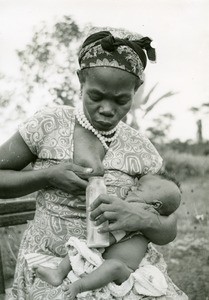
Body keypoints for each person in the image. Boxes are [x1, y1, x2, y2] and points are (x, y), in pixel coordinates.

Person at [0, 27, 188, 299]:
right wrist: (47, 176)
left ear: (136, 90)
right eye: (96, 96)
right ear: (81, 81)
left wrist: (139, 216)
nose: (108, 109)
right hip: (52, 264)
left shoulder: (141, 149)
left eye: (122, 100)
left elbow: (169, 223)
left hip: (118, 268)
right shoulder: (49, 124)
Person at [32, 172, 181, 300]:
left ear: (155, 205)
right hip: (104, 258)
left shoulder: (143, 209)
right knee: (80, 246)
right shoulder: (141, 207)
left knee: (111, 264)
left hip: (125, 270)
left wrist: (104, 239)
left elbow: (121, 230)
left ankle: (77, 285)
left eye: (139, 188)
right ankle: (58, 273)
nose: (132, 188)